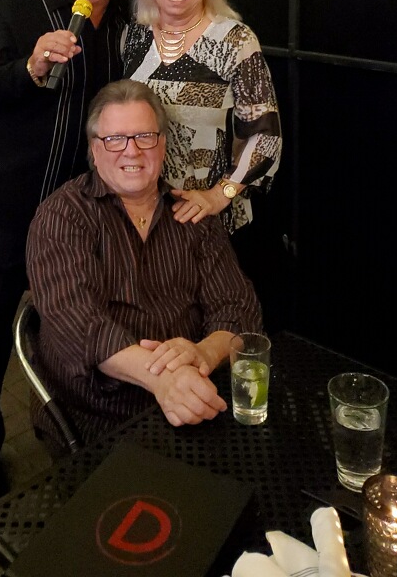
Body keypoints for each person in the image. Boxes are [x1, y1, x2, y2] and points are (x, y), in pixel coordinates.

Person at [0, 0, 134, 507]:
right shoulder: (19, 2)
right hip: (7, 211)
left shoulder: (126, 25)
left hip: (81, 219)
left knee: (76, 333)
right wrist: (29, 69)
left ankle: (75, 438)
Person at [26, 79, 263, 450]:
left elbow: (239, 308)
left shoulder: (193, 215)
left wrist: (204, 353)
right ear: (94, 149)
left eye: (145, 137)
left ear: (163, 145)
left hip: (198, 389)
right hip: (103, 416)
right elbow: (78, 323)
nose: (132, 151)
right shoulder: (63, 215)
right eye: (115, 139)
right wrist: (162, 380)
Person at [122, 0, 281, 236]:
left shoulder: (233, 41)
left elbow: (266, 136)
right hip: (142, 220)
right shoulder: (133, 37)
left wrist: (220, 195)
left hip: (208, 224)